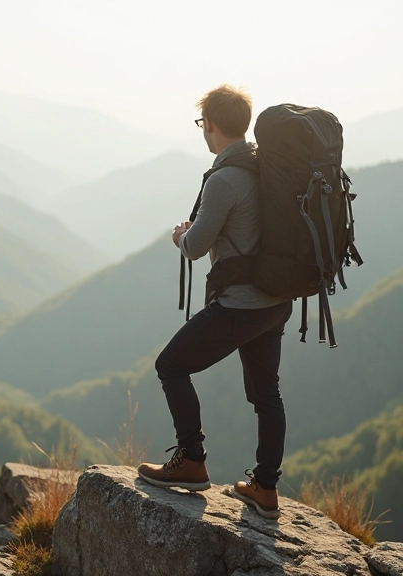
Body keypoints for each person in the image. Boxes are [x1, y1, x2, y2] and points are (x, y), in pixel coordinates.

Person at [136, 85, 293, 520]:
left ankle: (191, 460)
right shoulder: (266, 167)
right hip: (276, 302)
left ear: (210, 125)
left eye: (202, 124)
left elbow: (194, 247)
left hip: (240, 305)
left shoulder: (224, 179)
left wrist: (180, 235)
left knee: (171, 366)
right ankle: (265, 488)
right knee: (267, 394)